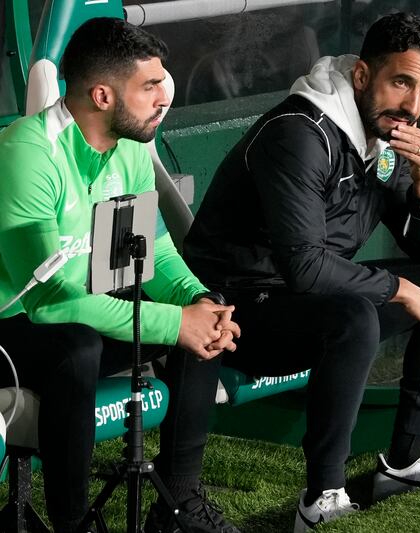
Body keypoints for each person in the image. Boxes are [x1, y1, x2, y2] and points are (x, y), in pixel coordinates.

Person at [183, 12, 420, 531]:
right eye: (401, 82)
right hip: (236, 308)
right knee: (354, 318)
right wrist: (400, 289)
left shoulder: (385, 136)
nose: (412, 106)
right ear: (363, 76)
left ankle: (406, 460)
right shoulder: (300, 133)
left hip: (310, 297)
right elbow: (302, 266)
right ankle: (322, 497)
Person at [0, 18, 241, 533]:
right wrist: (175, 322)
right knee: (78, 348)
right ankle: (73, 523)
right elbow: (50, 301)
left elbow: (142, 256)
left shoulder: (129, 147)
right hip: (12, 325)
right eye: (150, 86)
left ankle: (177, 506)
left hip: (77, 315)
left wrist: (198, 302)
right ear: (104, 94)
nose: (164, 98)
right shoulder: (27, 153)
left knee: (197, 312)